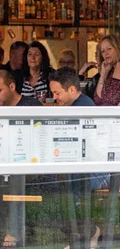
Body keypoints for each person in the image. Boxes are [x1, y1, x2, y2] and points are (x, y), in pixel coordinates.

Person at [49, 68, 108, 249]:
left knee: (60, 185)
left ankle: (86, 234)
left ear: (72, 90)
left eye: (57, 93)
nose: (54, 98)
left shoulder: (82, 108)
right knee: (57, 182)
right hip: (87, 170)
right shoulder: (77, 105)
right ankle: (84, 235)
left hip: (97, 173)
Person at [0, 70, 41, 247]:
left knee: (17, 176)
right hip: (4, 164)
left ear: (12, 86)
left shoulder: (31, 106)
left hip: (33, 165)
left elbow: (40, 138)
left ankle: (14, 232)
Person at [93, 35, 120, 106]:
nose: (106, 53)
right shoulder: (109, 71)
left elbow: (112, 100)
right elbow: (97, 100)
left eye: (109, 49)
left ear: (117, 48)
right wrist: (102, 75)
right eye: (103, 51)